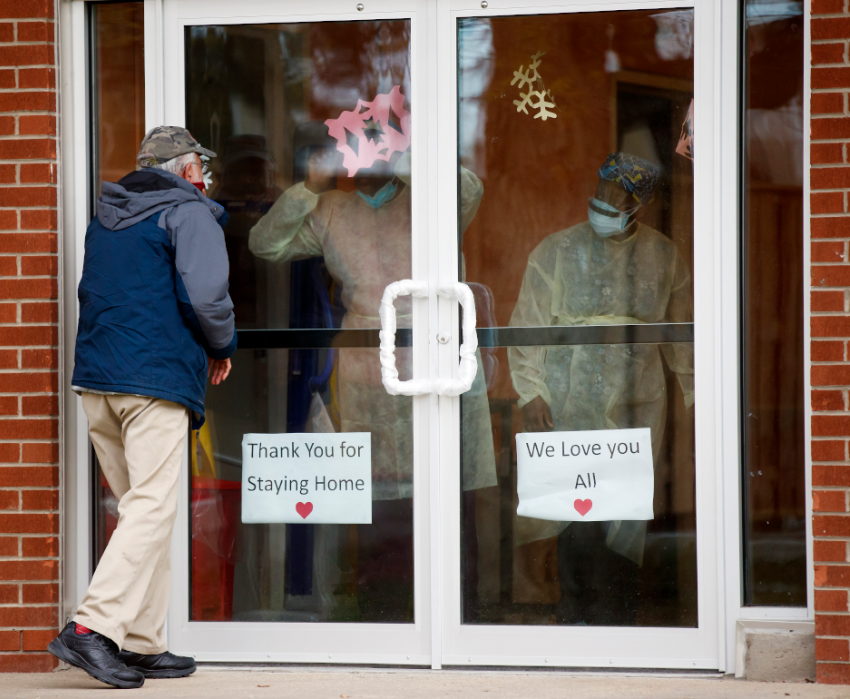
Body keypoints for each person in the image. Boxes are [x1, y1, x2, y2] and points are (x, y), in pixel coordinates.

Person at [248, 103, 497, 620]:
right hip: (370, 363)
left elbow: (469, 187)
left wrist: (401, 151)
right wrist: (311, 186)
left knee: (449, 493)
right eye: (354, 164)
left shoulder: (434, 201)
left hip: (437, 353)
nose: (364, 177)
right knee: (380, 503)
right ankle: (385, 618)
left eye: (373, 162)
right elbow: (264, 244)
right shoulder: (333, 209)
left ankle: (459, 617)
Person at [48, 126, 237, 688]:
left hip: (99, 383)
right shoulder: (189, 211)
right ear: (185, 170)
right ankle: (92, 628)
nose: (206, 179)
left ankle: (141, 642)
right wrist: (222, 347)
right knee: (152, 509)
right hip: (152, 384)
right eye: (200, 168)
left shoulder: (106, 219)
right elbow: (207, 295)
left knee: (143, 510)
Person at [509, 152, 694, 625]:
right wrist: (531, 391)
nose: (607, 203)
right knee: (574, 505)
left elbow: (681, 333)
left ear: (641, 205)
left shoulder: (663, 255)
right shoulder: (558, 248)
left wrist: (699, 398)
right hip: (568, 397)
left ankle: (617, 615)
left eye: (621, 197)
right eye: (604, 191)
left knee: (625, 506)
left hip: (638, 399)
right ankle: (573, 613)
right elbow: (528, 322)